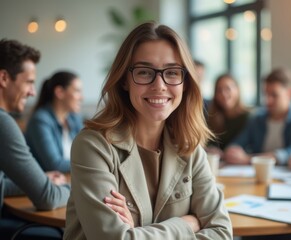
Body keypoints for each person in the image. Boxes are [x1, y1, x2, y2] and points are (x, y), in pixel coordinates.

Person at [64, 22, 233, 239]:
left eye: (172, 72)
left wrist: (137, 231)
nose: (159, 85)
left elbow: (222, 232)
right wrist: (187, 224)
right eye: (144, 72)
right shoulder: (93, 146)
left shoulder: (190, 148)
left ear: (185, 82)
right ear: (125, 80)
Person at [0, 39, 70, 239]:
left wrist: (42, 180)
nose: (33, 91)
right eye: (29, 82)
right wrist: (78, 188)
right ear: (4, 78)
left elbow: (1, 185)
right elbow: (48, 198)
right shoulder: (3, 124)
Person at [224, 67, 291, 165]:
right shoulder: (257, 119)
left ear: (289, 93)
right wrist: (232, 152)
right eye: (266, 95)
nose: (268, 101)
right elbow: (237, 143)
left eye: (274, 95)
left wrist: (249, 159)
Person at [25, 71, 83, 173]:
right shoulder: (40, 120)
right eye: (77, 91)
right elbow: (55, 164)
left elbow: (86, 150)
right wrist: (90, 164)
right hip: (50, 184)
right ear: (59, 92)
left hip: (71, 178)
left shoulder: (74, 118)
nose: (82, 97)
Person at [206, 73, 250, 152]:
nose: (223, 94)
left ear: (237, 90)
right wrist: (209, 149)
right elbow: (206, 142)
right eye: (219, 90)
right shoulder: (211, 116)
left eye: (228, 89)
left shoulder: (249, 117)